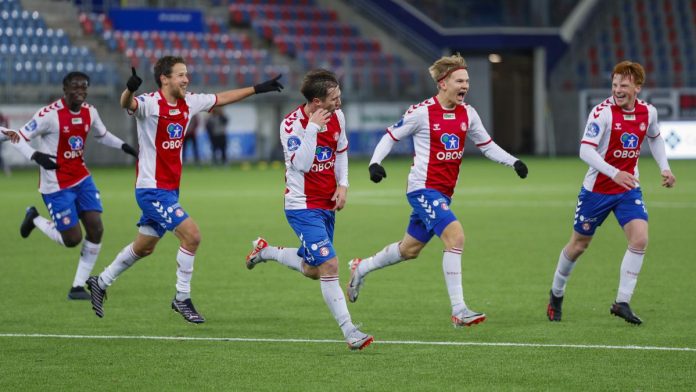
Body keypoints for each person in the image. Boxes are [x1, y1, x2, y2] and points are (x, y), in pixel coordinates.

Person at [85, 57, 283, 323]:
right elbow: (126, 104)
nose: (186, 79)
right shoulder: (149, 104)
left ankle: (101, 281)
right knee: (192, 236)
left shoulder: (189, 102)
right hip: (151, 190)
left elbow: (221, 98)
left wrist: (258, 88)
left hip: (169, 191)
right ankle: (181, 298)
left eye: (186, 74)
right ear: (165, 79)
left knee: (144, 248)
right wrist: (130, 89)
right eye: (180, 75)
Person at [345, 54, 528, 327]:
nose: (465, 86)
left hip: (443, 194)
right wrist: (374, 163)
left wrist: (513, 161)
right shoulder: (421, 112)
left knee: (409, 250)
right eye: (459, 81)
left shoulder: (469, 113)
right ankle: (459, 310)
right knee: (455, 237)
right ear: (443, 83)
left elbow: (486, 145)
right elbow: (390, 135)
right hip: (422, 189)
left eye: (467, 81)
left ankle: (363, 267)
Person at [245, 69, 374, 350]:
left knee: (314, 269)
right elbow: (301, 164)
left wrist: (343, 185)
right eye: (334, 98)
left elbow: (340, 152)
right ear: (317, 102)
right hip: (302, 206)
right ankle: (350, 331)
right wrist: (313, 128)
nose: (339, 102)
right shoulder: (291, 125)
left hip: (326, 203)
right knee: (329, 265)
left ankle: (266, 251)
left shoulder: (338, 117)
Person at [546, 61, 675, 325]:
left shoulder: (648, 112)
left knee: (639, 239)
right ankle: (556, 293)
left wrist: (665, 168)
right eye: (615, 84)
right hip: (597, 191)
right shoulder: (601, 113)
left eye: (624, 85)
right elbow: (586, 150)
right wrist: (613, 172)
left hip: (628, 189)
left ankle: (622, 302)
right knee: (579, 245)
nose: (617, 90)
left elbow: (655, 137)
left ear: (637, 87)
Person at [1, 72, 138, 300]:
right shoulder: (49, 115)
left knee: (96, 228)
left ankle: (77, 287)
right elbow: (19, 136)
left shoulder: (90, 111)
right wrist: (36, 156)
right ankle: (34, 218)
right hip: (55, 184)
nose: (79, 92)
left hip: (82, 178)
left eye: (83, 88)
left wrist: (125, 146)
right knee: (72, 239)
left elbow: (102, 135)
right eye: (74, 88)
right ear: (64, 89)